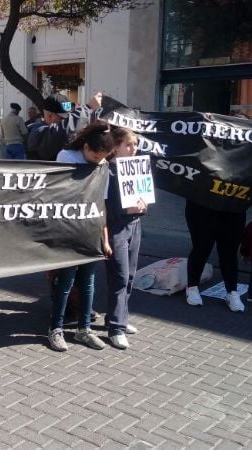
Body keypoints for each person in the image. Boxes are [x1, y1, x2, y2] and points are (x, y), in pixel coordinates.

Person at [48, 122, 114, 352]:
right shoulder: (66, 157)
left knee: (88, 282)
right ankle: (55, 328)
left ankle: (84, 329)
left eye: (102, 158)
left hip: (91, 230)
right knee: (66, 281)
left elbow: (101, 203)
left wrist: (105, 238)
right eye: (95, 157)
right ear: (85, 147)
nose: (98, 161)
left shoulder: (103, 163)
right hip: (69, 229)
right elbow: (58, 193)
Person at [104, 127, 146, 350]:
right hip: (117, 228)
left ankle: (119, 317)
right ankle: (116, 329)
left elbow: (142, 195)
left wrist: (143, 205)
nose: (133, 149)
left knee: (129, 276)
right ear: (116, 147)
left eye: (135, 144)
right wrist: (124, 210)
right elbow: (103, 206)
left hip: (135, 225)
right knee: (119, 276)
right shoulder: (108, 171)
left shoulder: (136, 167)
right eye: (128, 145)